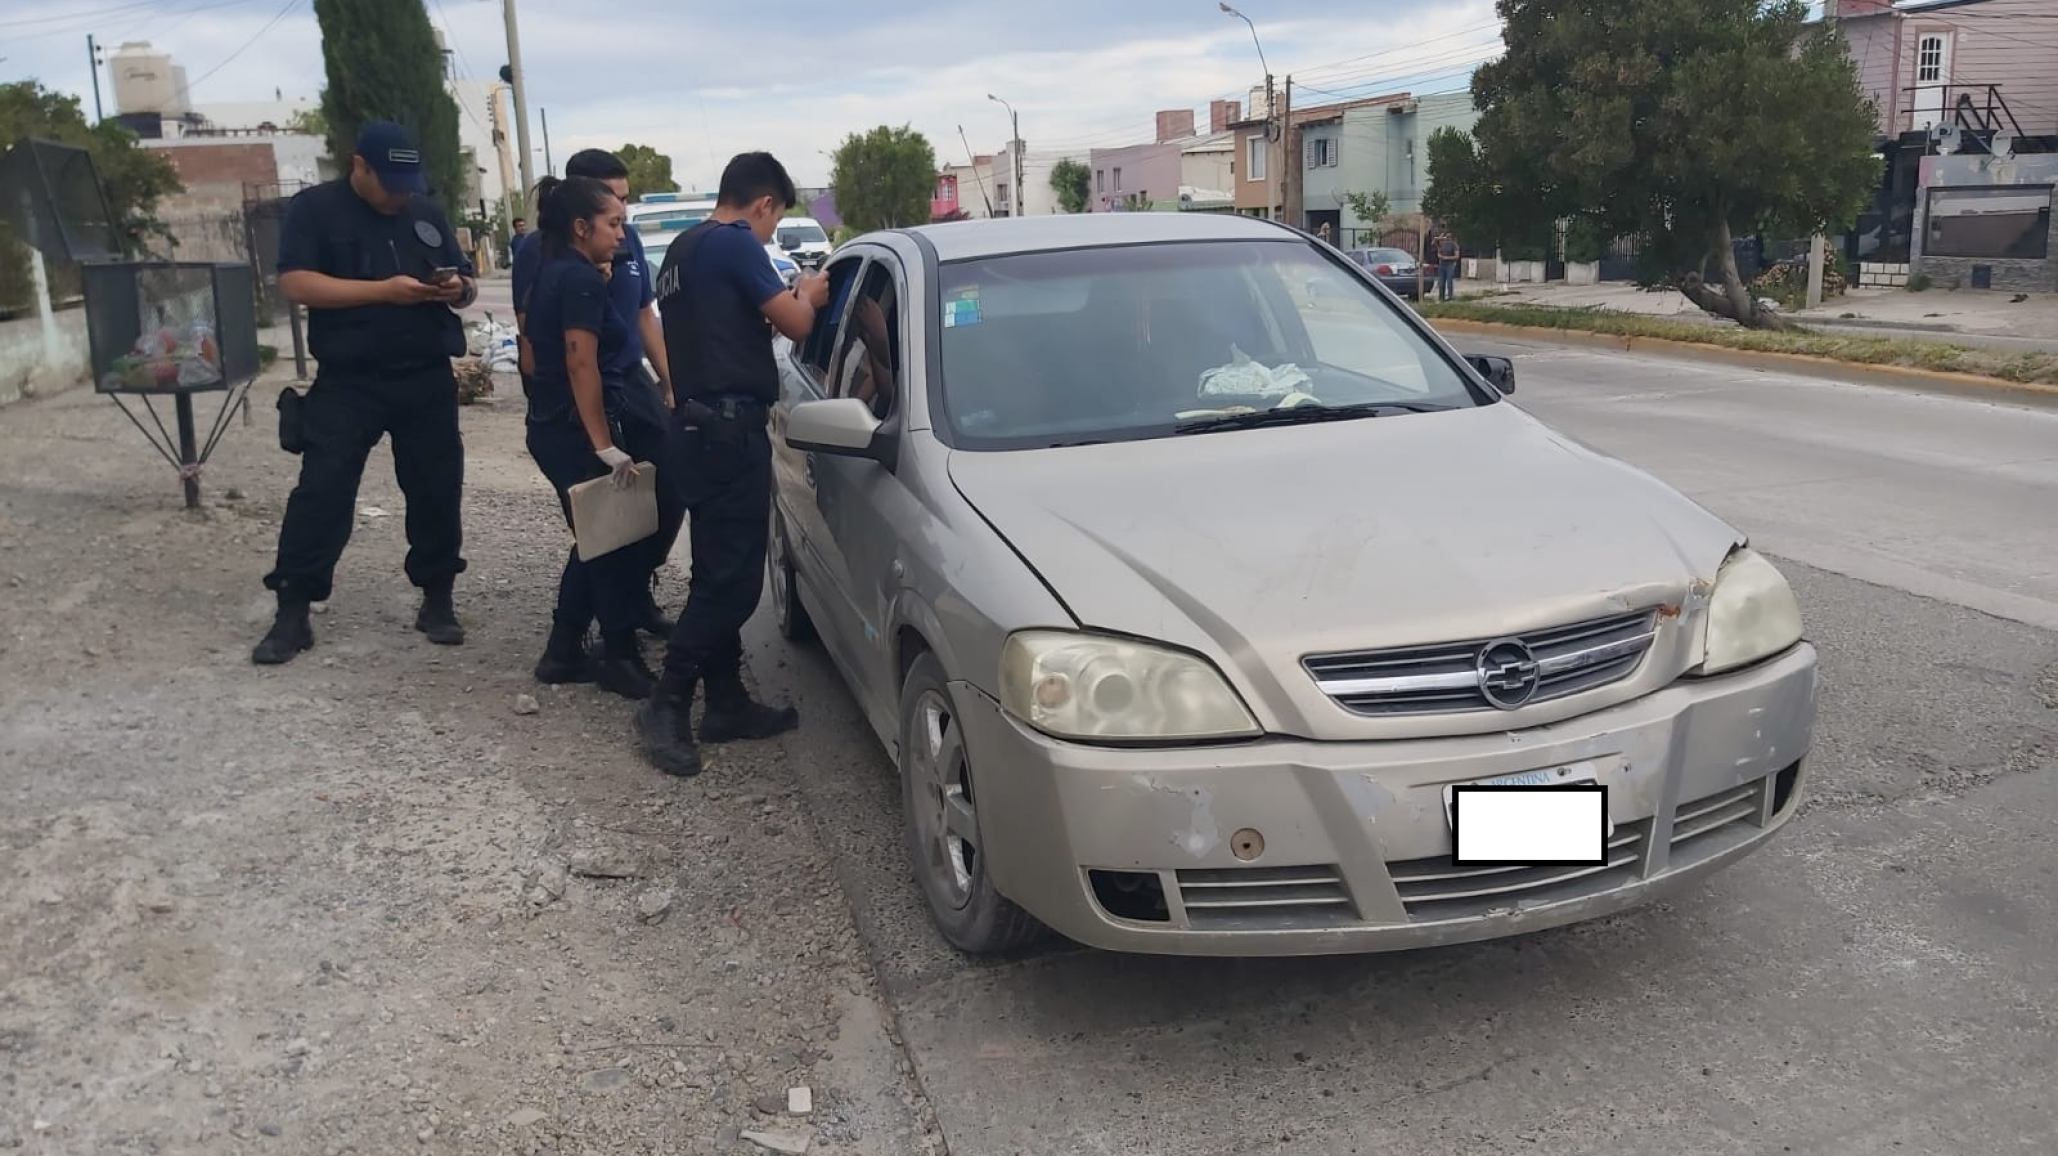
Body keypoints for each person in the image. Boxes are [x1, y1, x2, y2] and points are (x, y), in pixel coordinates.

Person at [251, 121, 477, 665]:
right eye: (390, 182)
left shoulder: (424, 211)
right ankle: (293, 609)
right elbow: (296, 283)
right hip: (351, 378)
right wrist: (384, 292)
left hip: (423, 372)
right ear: (360, 167)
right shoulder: (316, 209)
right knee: (323, 489)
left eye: (408, 184)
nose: (400, 194)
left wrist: (456, 287)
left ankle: (437, 596)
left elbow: (466, 284)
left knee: (435, 487)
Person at [635, 151, 829, 777]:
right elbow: (798, 324)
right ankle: (667, 702)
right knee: (735, 584)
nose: (770, 232)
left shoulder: (685, 250)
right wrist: (807, 291)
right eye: (775, 220)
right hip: (725, 437)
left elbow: (728, 333)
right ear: (764, 203)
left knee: (716, 571)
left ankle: (726, 703)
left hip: (694, 429)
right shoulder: (736, 243)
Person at [520, 175, 686, 698]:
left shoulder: (560, 269)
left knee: (599, 539)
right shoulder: (579, 281)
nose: (621, 233)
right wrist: (602, 445)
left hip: (553, 424)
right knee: (610, 542)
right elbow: (580, 363)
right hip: (572, 430)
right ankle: (619, 657)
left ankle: (563, 650)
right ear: (579, 226)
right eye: (613, 223)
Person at [1437, 229, 1461, 302]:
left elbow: (1457, 256)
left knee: (1449, 281)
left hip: (1450, 264)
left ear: (1452, 238)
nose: (1447, 238)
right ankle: (1441, 298)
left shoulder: (1454, 245)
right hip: (1442, 264)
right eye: (1446, 237)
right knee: (1441, 282)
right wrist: (1439, 256)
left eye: (1449, 237)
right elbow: (1438, 251)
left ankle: (1450, 297)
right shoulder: (1442, 244)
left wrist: (1446, 258)